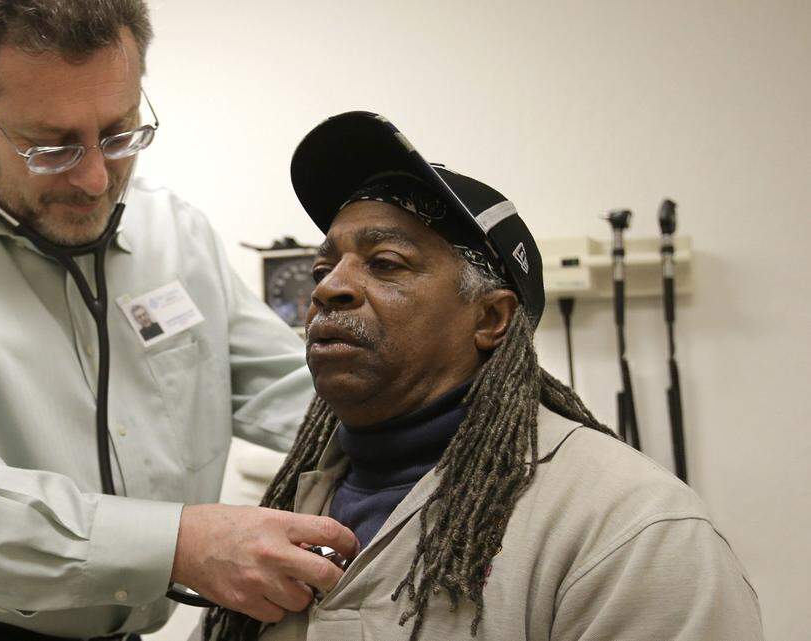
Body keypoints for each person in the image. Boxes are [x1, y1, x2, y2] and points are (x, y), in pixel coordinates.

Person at [0, 2, 356, 640]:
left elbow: (301, 395)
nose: (94, 180)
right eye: (51, 147)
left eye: (118, 134)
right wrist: (176, 544)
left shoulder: (176, 233)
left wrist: (455, 416)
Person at [201, 112, 764, 641]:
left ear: (491, 318)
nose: (327, 289)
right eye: (324, 268)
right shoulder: (290, 503)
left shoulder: (632, 532)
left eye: (386, 263)